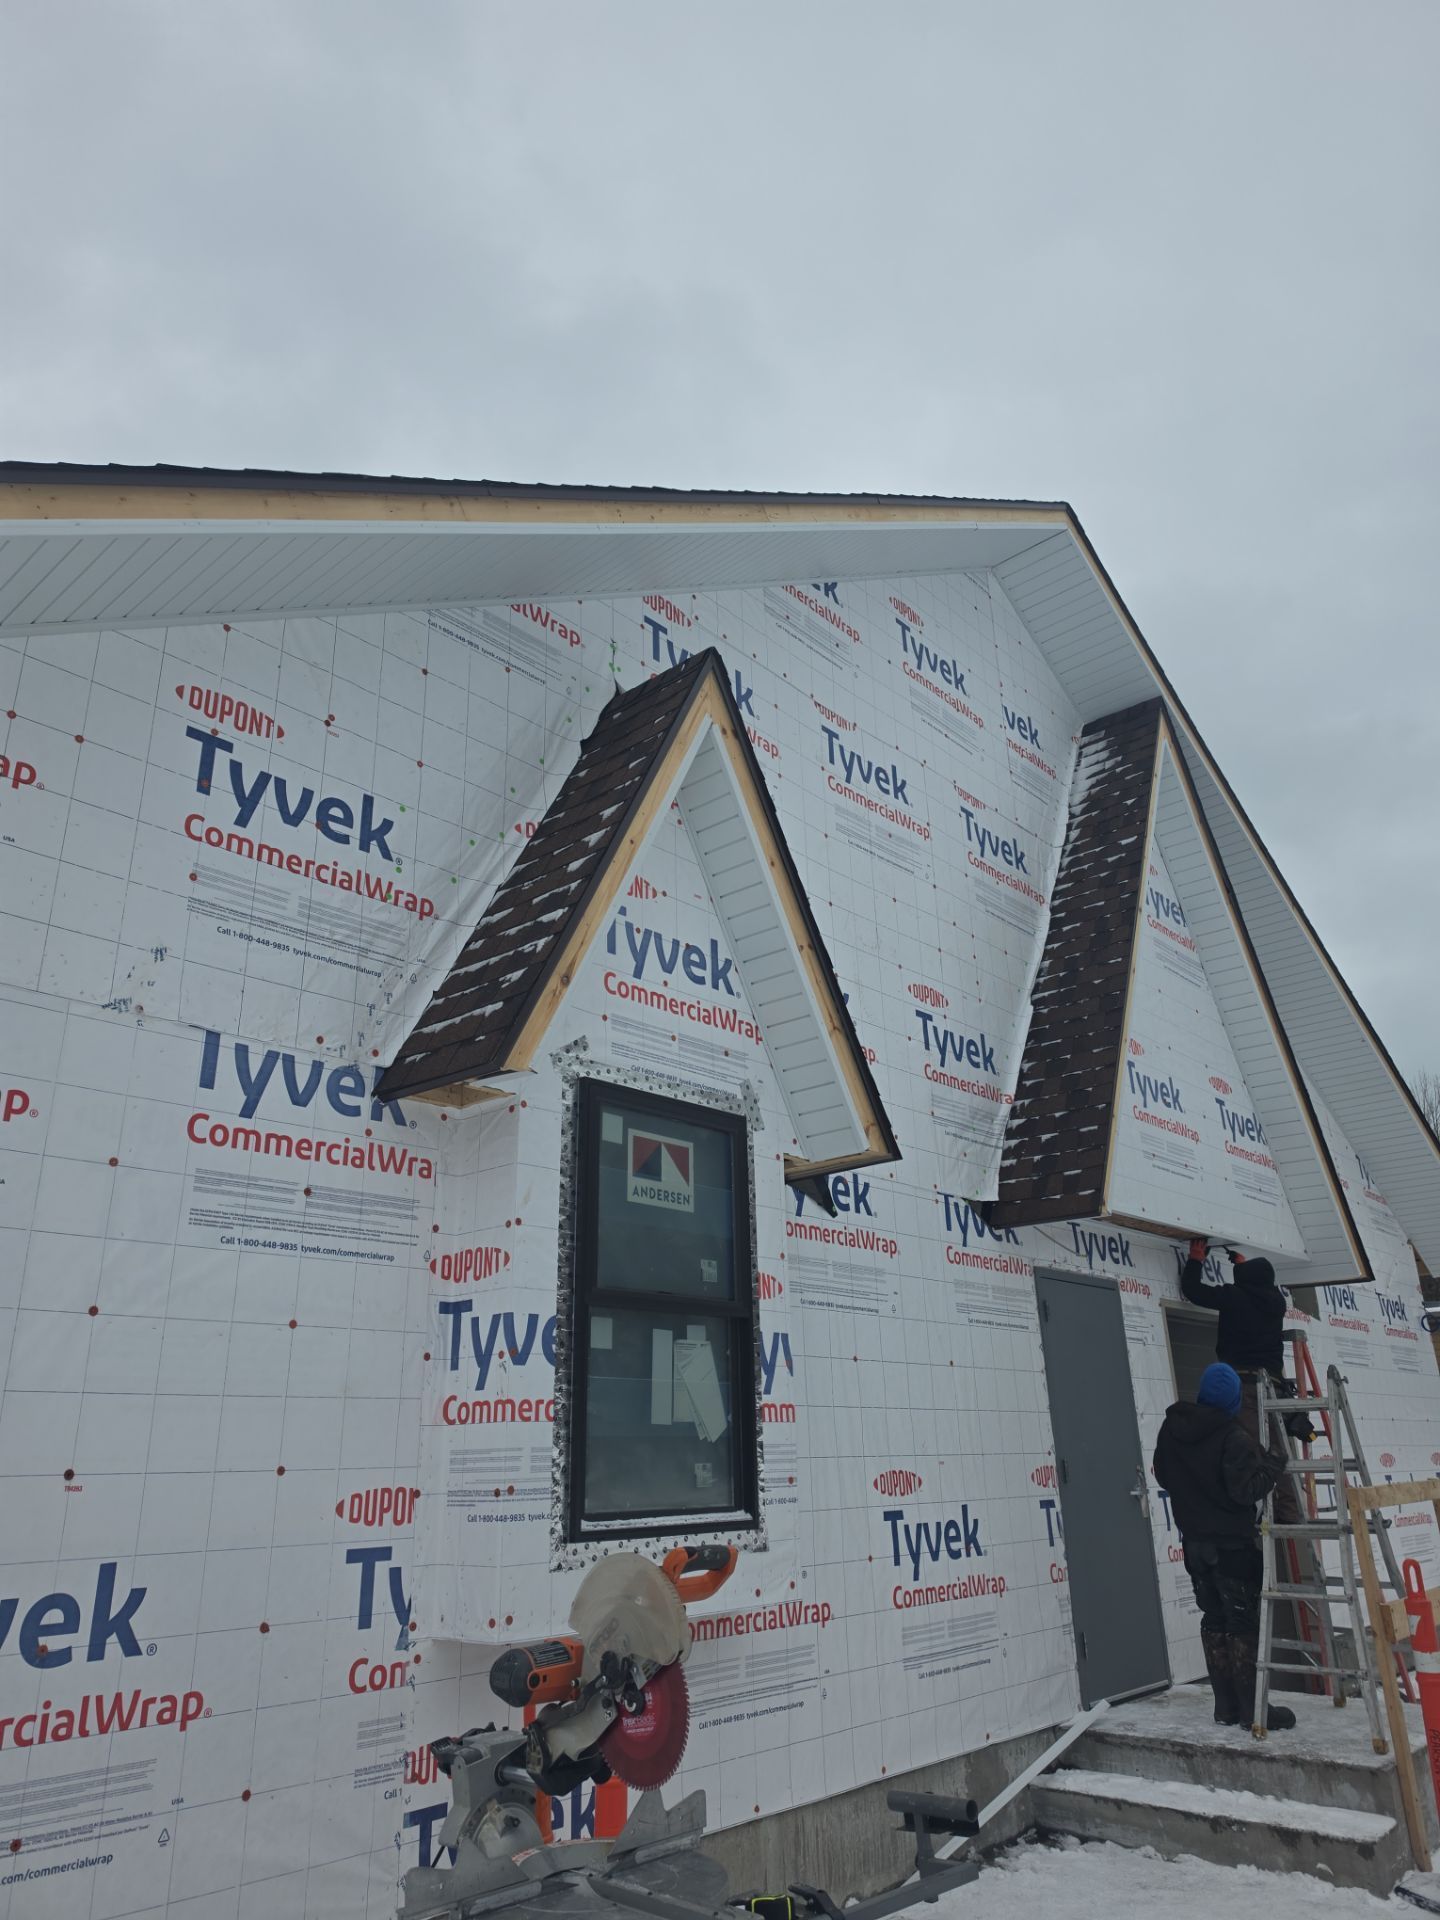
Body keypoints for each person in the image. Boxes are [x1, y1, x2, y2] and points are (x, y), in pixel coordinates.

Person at [1153, 1361, 1296, 1731]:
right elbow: (1244, 1491)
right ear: (1233, 1399)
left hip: (1195, 1548)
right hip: (1232, 1549)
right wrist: (1275, 1462)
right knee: (1242, 1623)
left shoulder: (1172, 1429)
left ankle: (1226, 1708)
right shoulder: (1233, 1437)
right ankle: (1253, 1711)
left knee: (1214, 1619)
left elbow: (1164, 1475)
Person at [1179, 1238, 1312, 1523]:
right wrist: (1245, 1266)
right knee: (1278, 1450)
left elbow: (1193, 1291)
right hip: (1274, 1388)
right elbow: (1259, 1280)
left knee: (1246, 1449)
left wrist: (1196, 1258)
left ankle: (1246, 1513)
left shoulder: (1234, 1297)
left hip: (1243, 1388)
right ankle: (1289, 1512)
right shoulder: (1277, 1302)